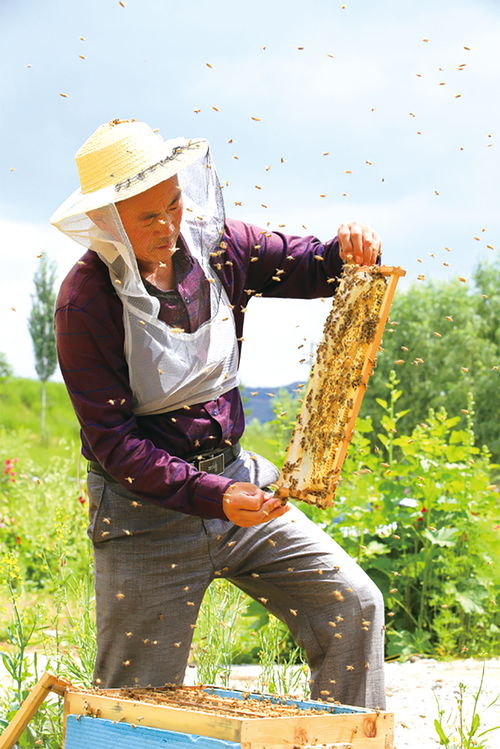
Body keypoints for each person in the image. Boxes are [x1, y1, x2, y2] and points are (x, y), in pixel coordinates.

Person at [52, 119, 386, 709]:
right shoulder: (86, 302)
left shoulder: (222, 246)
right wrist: (209, 495)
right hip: (142, 515)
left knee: (353, 605)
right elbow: (114, 443)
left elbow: (312, 266)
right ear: (108, 221)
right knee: (136, 703)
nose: (169, 225)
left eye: (174, 205)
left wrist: (350, 249)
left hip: (240, 484)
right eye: (147, 217)